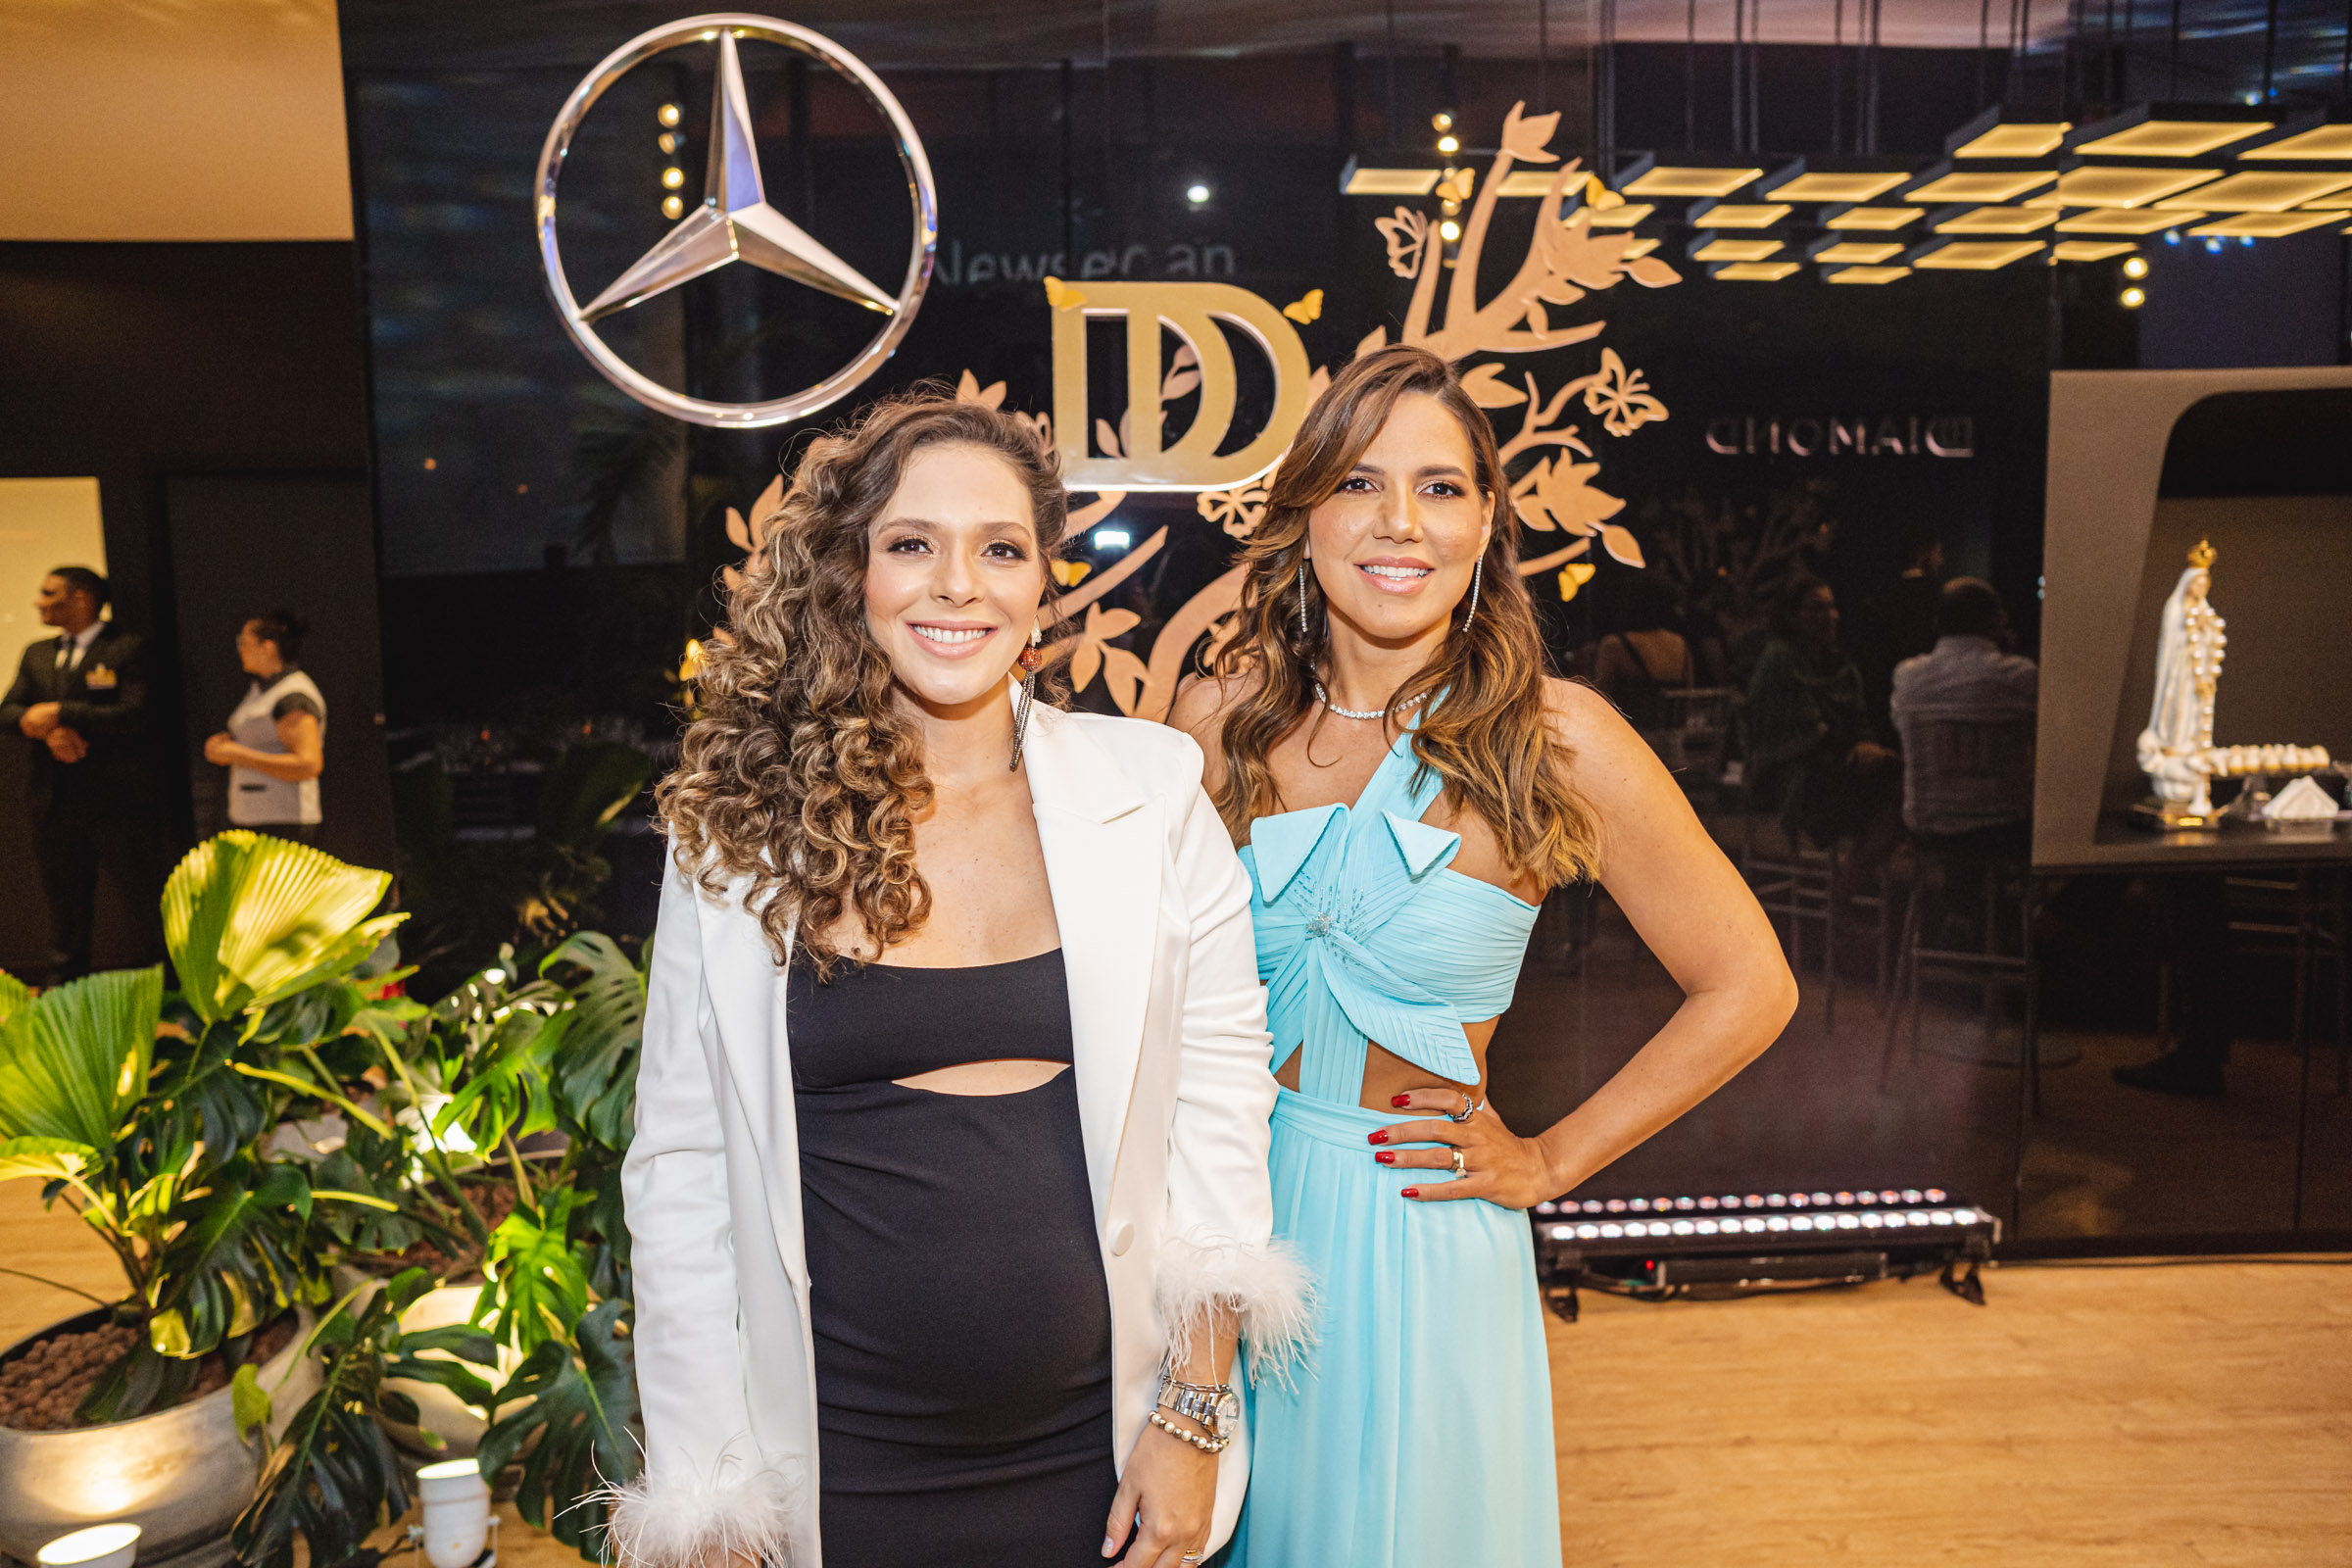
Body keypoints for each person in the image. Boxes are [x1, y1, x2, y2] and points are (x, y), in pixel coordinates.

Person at [612, 393, 1308, 1568]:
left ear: (1043, 582)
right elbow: (679, 1177)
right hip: (835, 1474)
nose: (957, 586)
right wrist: (710, 1496)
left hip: (1100, 1467)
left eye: (999, 549)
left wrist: (1194, 1415)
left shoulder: (1152, 794)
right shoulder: (736, 840)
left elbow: (1220, 1120)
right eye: (911, 544)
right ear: (852, 570)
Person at [1170, 346, 1795, 1566]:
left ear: (1487, 519)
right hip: (1227, 1222)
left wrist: (1554, 1158)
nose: (1401, 521)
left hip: (1418, 1230)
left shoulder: (1557, 738)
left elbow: (1750, 985)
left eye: (1441, 487)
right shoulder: (1216, 719)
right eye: (1359, 482)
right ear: (1304, 515)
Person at [0, 566, 174, 980]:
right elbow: (8, 711)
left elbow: (135, 714)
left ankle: (165, 992)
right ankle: (66, 994)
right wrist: (49, 732)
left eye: (49, 593)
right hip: (54, 803)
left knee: (144, 904)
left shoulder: (127, 648)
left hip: (118, 804)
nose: (39, 602)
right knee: (65, 909)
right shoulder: (37, 653)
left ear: (81, 598)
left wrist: (62, 713)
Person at [1745, 573, 1900, 853]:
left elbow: (1858, 715)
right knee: (1883, 788)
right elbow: (1805, 732)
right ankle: (1858, 868)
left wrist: (1867, 745)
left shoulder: (1837, 663)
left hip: (1834, 761)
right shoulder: (1780, 660)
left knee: (1892, 777)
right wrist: (1857, 748)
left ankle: (1856, 870)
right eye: (1817, 608)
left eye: (1832, 606)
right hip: (1788, 773)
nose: (1831, 616)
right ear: (1792, 617)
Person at [1888, 577, 2037, 852]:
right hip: (2005, 827)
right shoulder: (2021, 676)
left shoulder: (1907, 676)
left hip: (1929, 829)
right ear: (1998, 621)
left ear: (1936, 624)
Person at [203, 611, 326, 842]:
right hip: (256, 818)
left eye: (244, 642)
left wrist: (236, 754)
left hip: (283, 822)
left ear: (267, 647)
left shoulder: (293, 695)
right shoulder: (260, 689)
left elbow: (308, 764)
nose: (240, 649)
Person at [1591, 572, 1693, 733]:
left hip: (1628, 738)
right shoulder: (1680, 643)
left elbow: (1599, 702)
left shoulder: (1614, 645)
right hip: (1674, 740)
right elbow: (1688, 699)